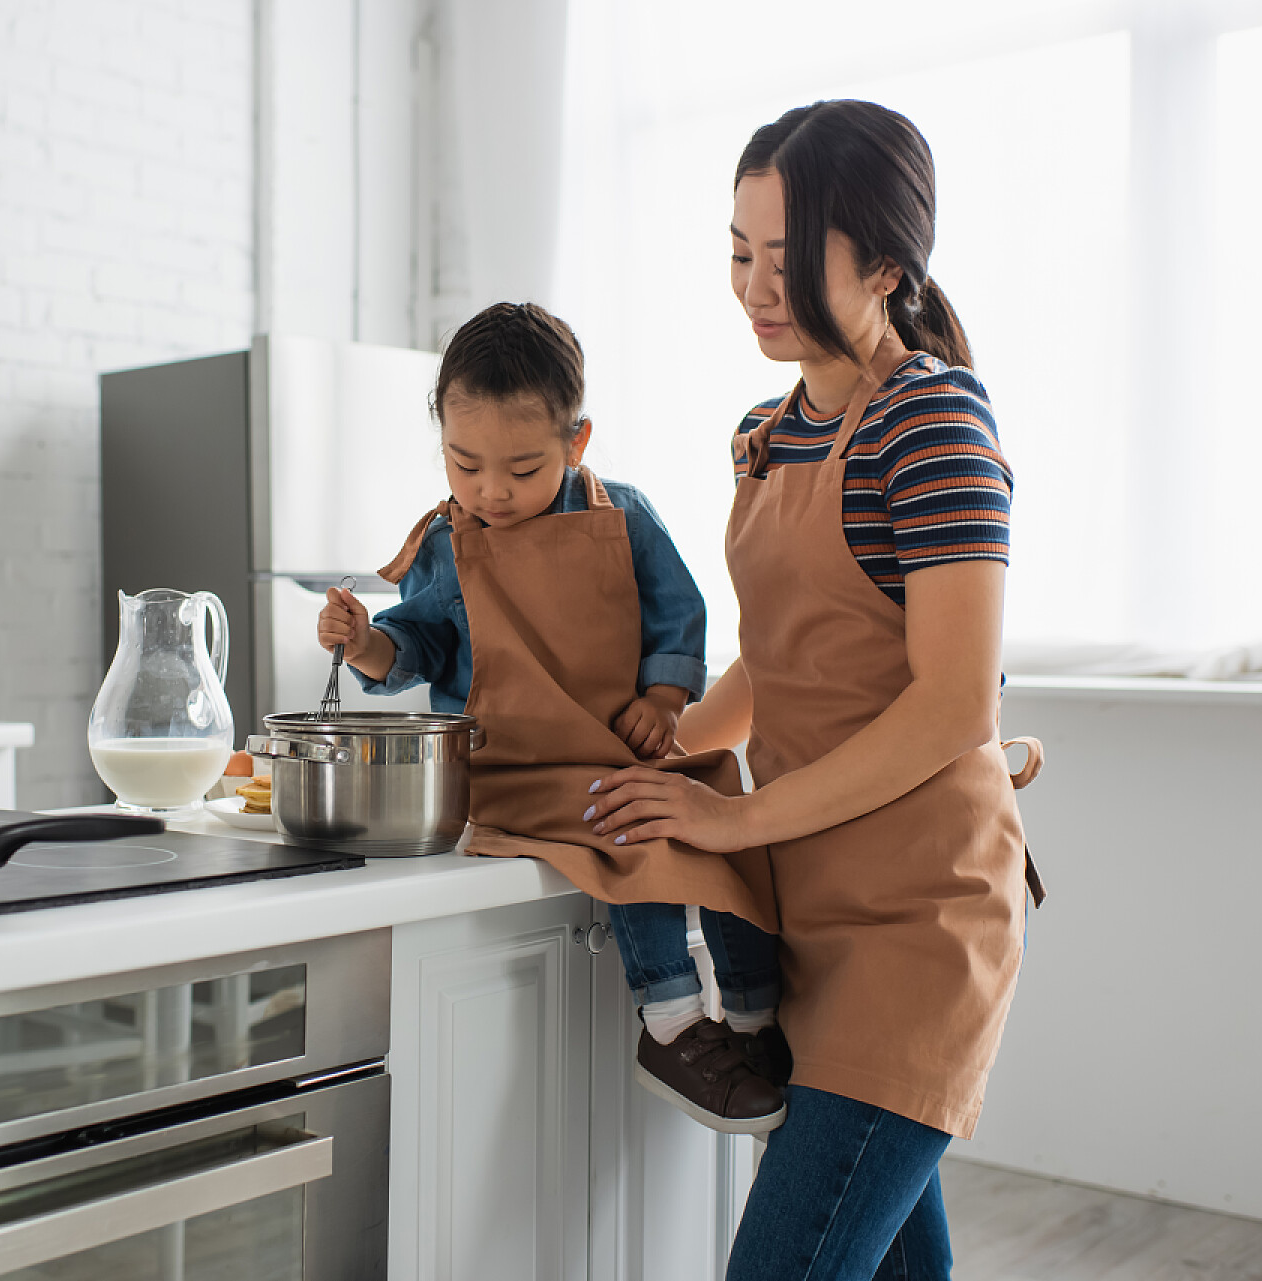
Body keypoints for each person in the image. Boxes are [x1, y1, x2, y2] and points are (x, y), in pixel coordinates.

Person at [583, 100, 1046, 1279]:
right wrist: (671, 741)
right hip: (808, 911)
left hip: (916, 924)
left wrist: (729, 819)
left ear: (885, 265)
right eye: (739, 253)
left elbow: (955, 705)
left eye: (786, 260)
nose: (754, 288)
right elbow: (784, 654)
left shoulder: (932, 423)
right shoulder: (764, 434)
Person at [317, 301, 790, 1132]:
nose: (491, 490)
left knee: (723, 814)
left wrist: (662, 701)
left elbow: (679, 617)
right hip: (506, 774)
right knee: (628, 826)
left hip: (613, 750)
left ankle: (755, 1014)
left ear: (577, 442)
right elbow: (414, 647)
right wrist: (364, 644)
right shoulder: (447, 543)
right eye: (464, 465)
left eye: (522, 468)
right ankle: (672, 1023)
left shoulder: (623, 518)